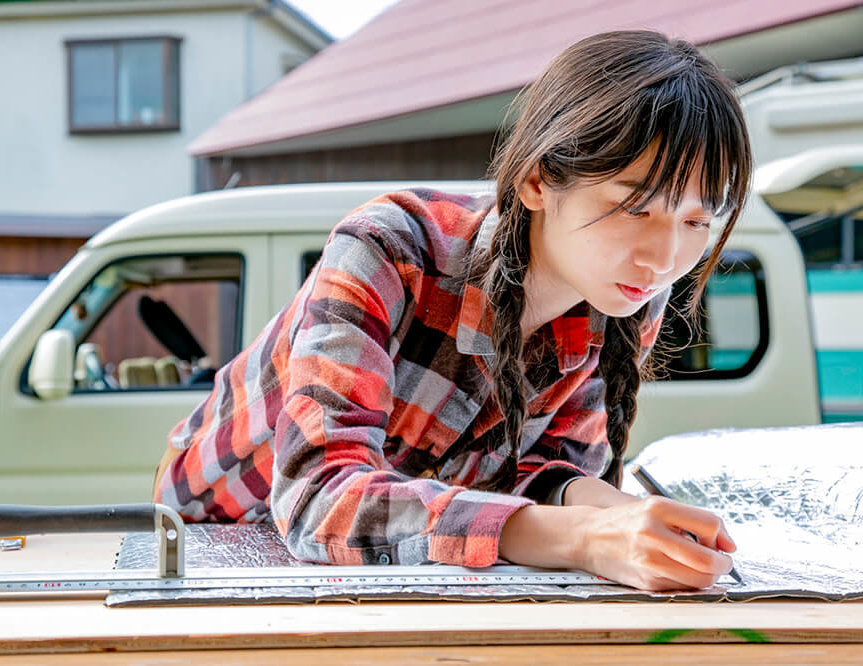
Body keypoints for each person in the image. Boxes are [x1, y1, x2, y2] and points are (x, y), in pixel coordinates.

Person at [153, 30, 752, 592]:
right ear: (538, 180)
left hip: (400, 570)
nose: (664, 259)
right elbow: (320, 497)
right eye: (634, 208)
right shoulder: (391, 250)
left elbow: (545, 473)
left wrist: (632, 520)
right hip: (223, 546)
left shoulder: (624, 294)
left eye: (697, 220)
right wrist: (589, 537)